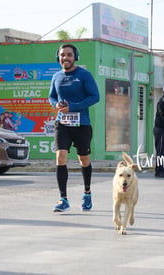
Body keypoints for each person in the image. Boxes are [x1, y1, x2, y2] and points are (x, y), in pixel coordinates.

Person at [49, 44, 100, 212]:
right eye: (62, 55)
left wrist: (74, 106)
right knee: (60, 157)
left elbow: (95, 97)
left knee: (83, 159)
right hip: (62, 124)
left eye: (69, 55)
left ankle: (87, 193)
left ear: (75, 56)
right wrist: (56, 104)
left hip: (82, 124)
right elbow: (51, 96)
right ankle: (63, 199)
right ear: (59, 57)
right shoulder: (56, 76)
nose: (66, 58)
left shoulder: (84, 75)